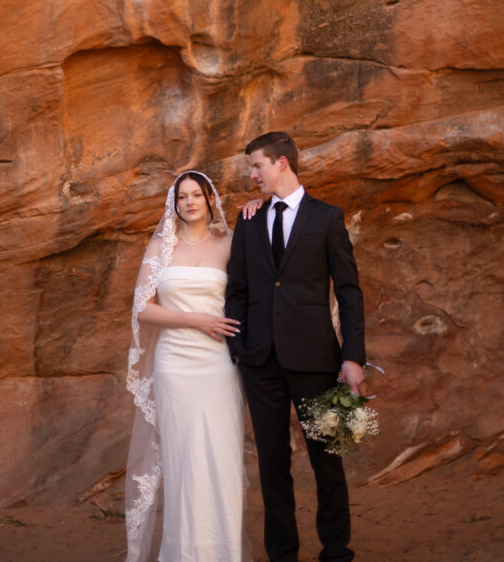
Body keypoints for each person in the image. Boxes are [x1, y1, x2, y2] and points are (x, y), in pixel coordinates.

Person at [226, 131, 365, 562]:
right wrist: (239, 347)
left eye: (257, 166)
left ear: (282, 163)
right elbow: (238, 287)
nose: (252, 175)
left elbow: (349, 290)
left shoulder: (326, 217)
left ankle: (336, 551)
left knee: (327, 458)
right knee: (272, 465)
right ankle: (281, 554)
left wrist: (353, 356)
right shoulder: (247, 220)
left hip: (315, 360)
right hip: (260, 362)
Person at [125, 170, 245, 562]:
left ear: (211, 198)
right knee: (182, 463)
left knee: (220, 459)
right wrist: (198, 320)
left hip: (216, 365)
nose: (190, 202)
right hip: (175, 364)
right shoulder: (162, 245)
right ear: (174, 204)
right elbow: (143, 309)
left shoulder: (230, 243)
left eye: (197, 194)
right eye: (182, 197)